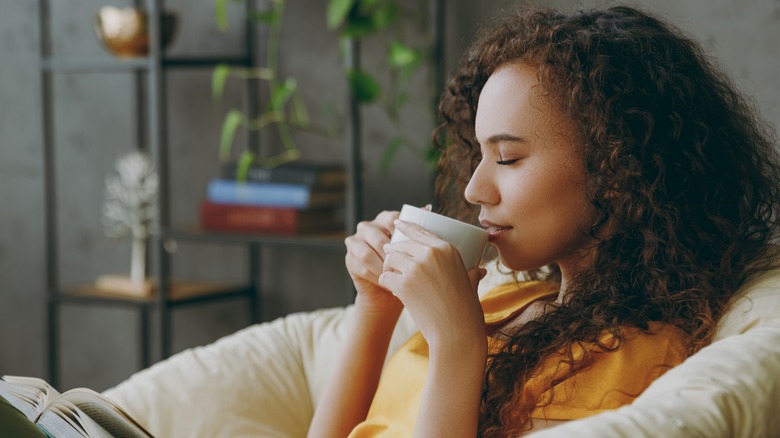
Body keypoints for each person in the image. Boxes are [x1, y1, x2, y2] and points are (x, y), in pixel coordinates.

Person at [308, 4, 780, 437]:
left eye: (508, 157)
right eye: (479, 153)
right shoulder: (507, 300)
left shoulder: (627, 355)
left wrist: (456, 344)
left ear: (617, 171)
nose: (473, 189)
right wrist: (376, 308)